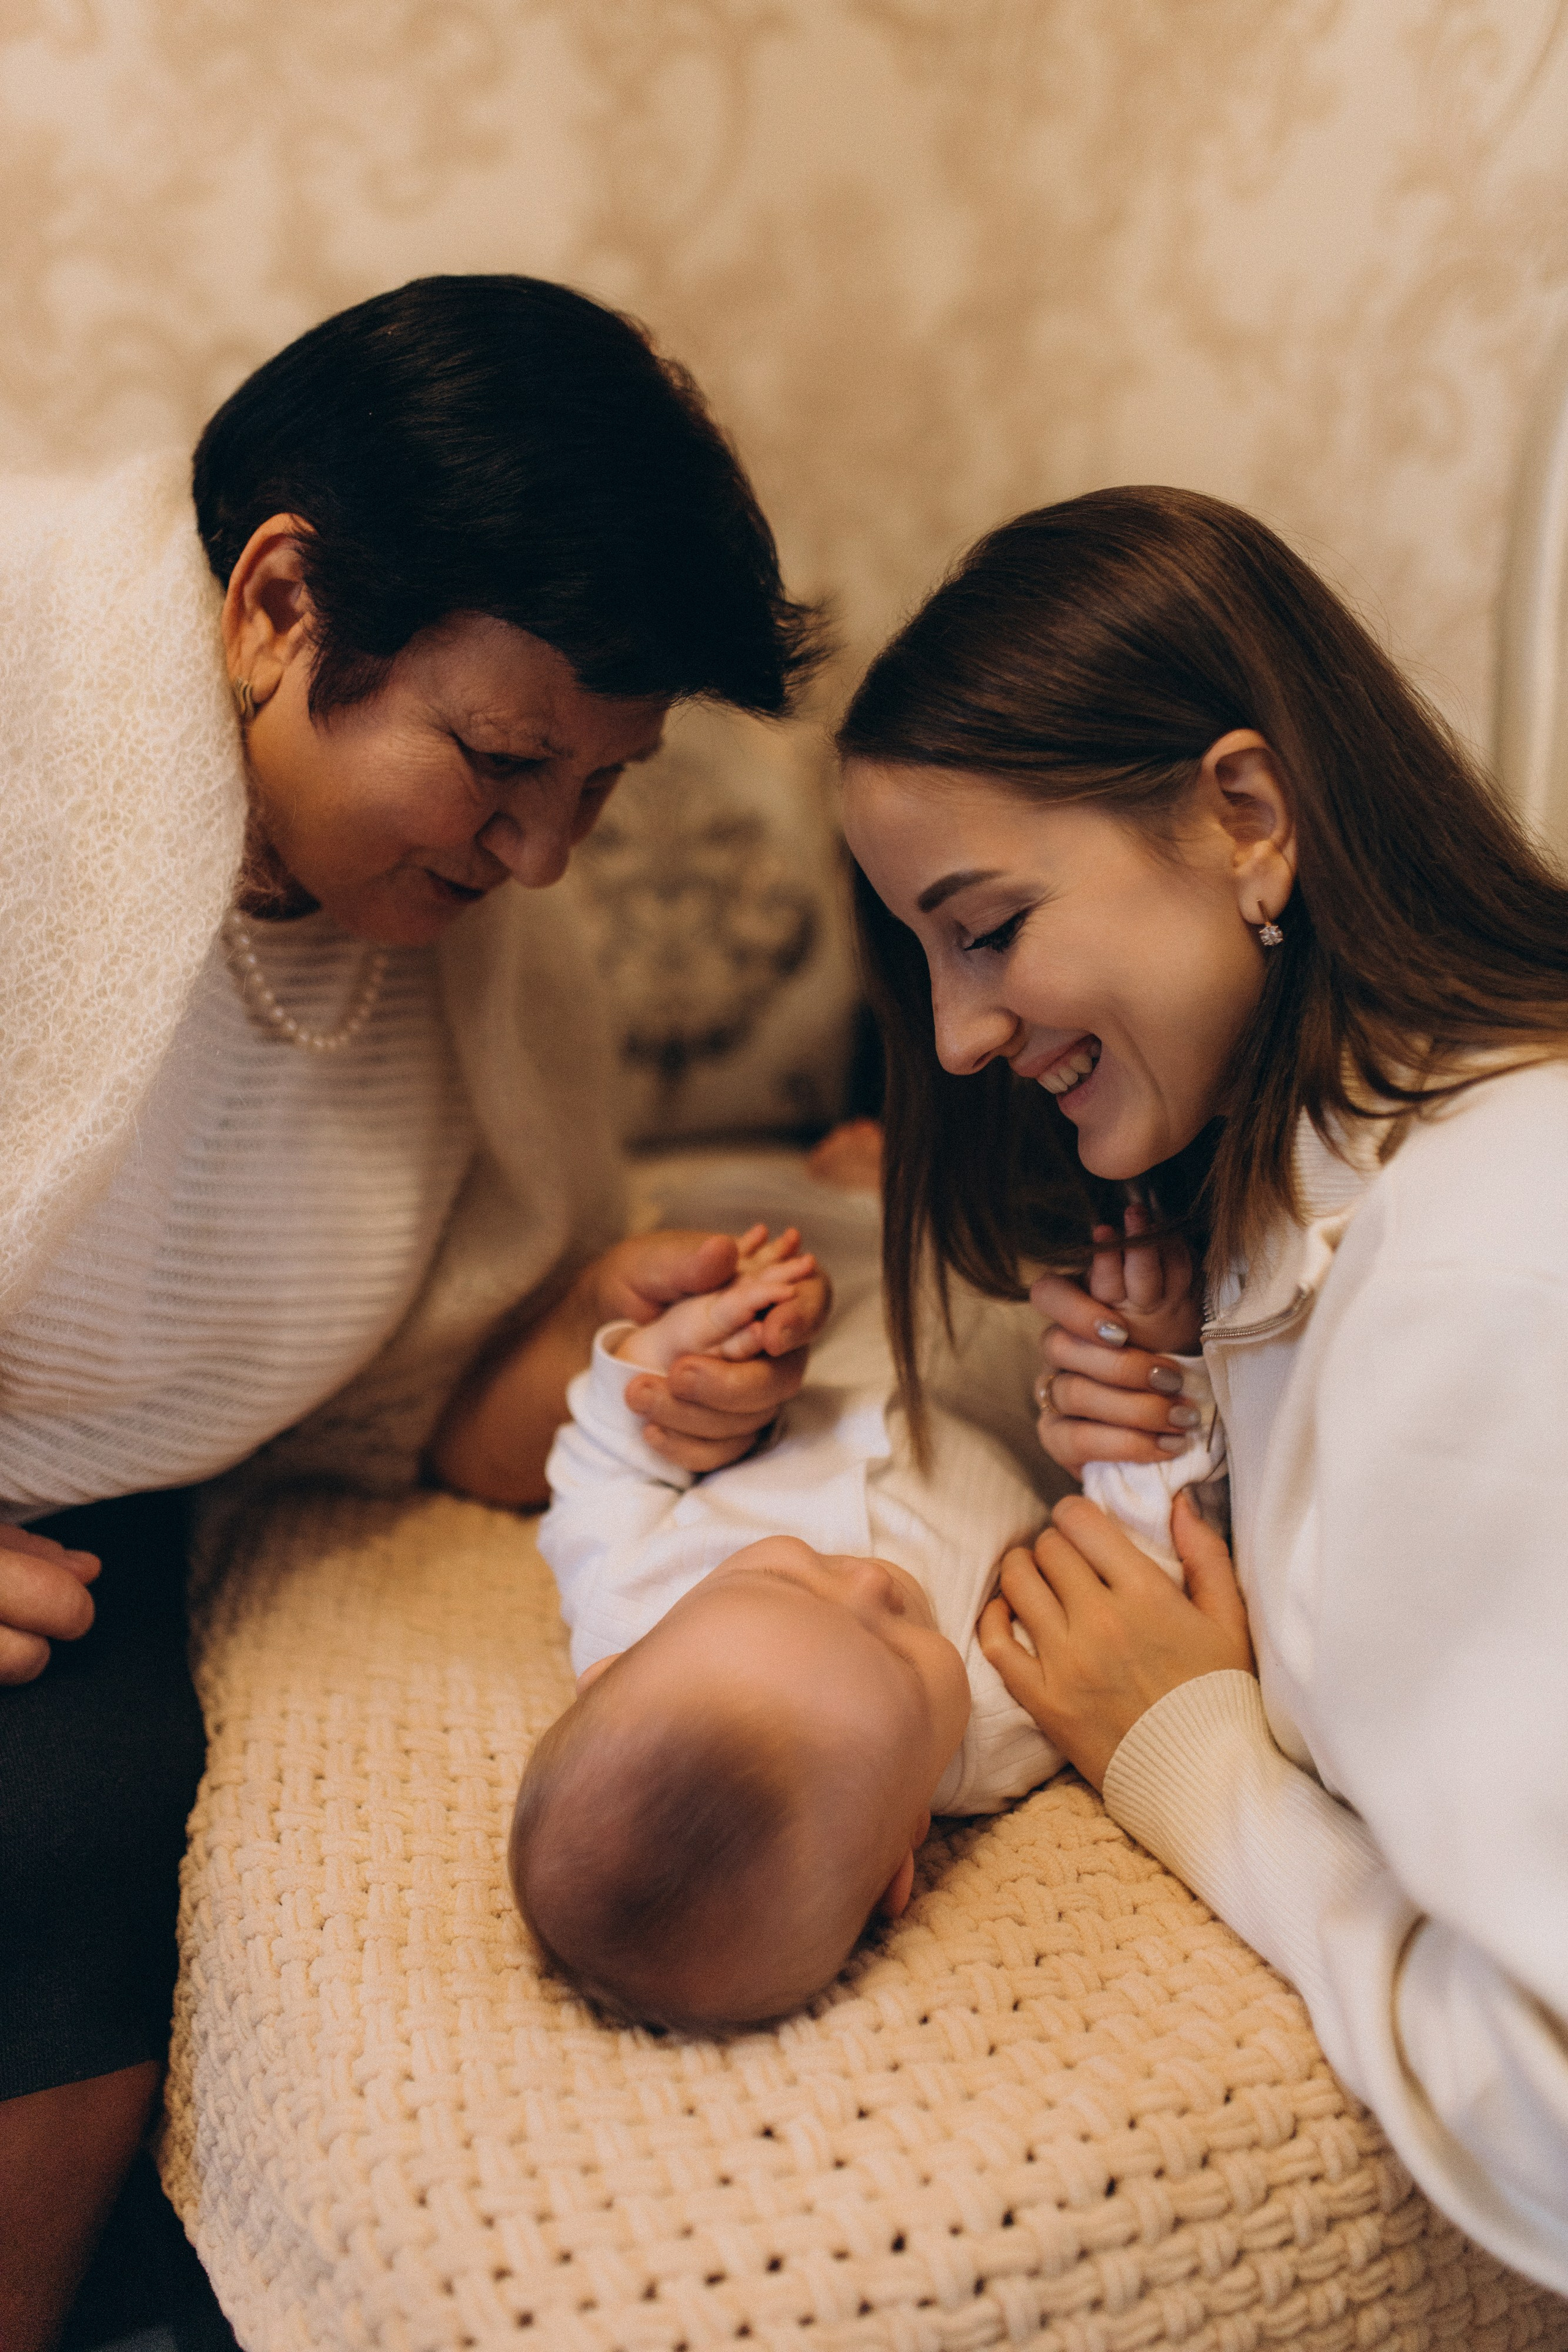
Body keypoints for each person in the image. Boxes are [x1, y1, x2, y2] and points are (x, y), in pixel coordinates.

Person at [0, 273, 833, 2349]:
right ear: (282, 603)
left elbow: (412, 1404)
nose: (549, 857)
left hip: (80, 1545)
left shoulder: (456, 959)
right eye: (502, 760)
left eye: (603, 788)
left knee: (81, 1832)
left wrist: (618, 1360)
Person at [837, 484, 1568, 2296]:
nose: (957, 1036)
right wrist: (1184, 1438)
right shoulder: (1297, 1189)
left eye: (987, 927)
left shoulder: (1489, 1267)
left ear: (1245, 817)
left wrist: (1197, 1758)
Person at [513, 1193, 1221, 2029]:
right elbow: (1130, 1567)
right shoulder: (997, 1726)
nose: (870, 1586)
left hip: (818, 1322)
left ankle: (862, 1184)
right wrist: (1151, 1371)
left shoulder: (622, 1599)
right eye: (898, 1658)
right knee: (1017, 1249)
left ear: (611, 1668)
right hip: (1008, 1365)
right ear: (902, 1854)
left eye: (785, 1583)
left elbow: (601, 1458)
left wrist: (663, 1364)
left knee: (786, 1217)